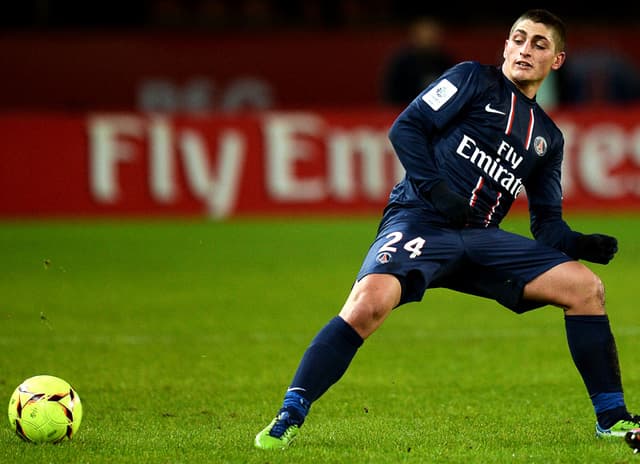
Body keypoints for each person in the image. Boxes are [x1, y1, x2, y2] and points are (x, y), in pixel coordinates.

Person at [254, 9, 638, 450]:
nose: (525, 50)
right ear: (506, 45)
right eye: (518, 38)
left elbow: (546, 225)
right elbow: (407, 128)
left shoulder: (547, 137)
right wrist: (437, 192)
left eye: (539, 44)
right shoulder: (472, 79)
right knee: (367, 305)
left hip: (480, 239)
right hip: (420, 219)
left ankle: (611, 419)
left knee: (586, 288)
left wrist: (578, 243)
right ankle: (291, 412)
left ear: (557, 60)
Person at [381, 16, 456, 106]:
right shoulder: (402, 62)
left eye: (432, 34)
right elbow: (391, 94)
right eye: (424, 34)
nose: (428, 38)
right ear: (415, 35)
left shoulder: (445, 61)